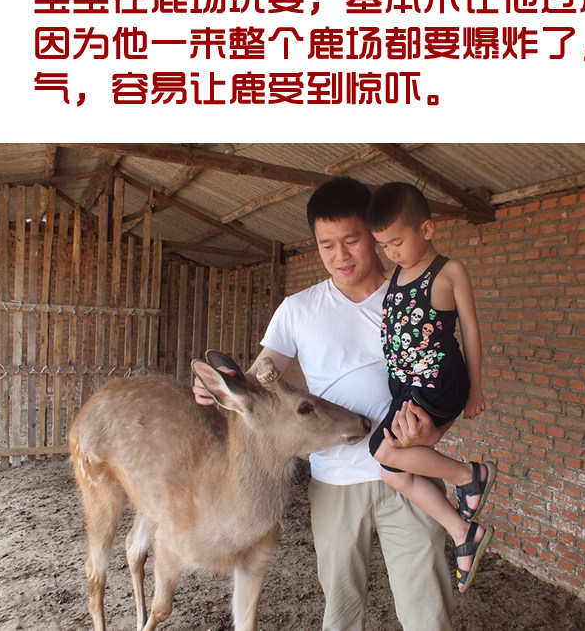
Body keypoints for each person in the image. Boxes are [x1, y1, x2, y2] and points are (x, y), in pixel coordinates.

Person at [194, 177, 454, 631]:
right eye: (326, 245)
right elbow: (258, 380)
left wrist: (436, 429)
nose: (340, 256)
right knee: (341, 608)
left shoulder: (413, 298)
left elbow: (444, 379)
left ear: (374, 235)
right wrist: (215, 388)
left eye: (351, 240)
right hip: (334, 482)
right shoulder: (298, 309)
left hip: (410, 475)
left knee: (428, 611)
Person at [366, 182, 496, 594]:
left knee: (384, 450)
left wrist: (475, 389)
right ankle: (463, 533)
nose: (391, 252)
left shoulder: (449, 271)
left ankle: (469, 475)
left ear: (426, 229)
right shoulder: (395, 274)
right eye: (384, 246)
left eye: (397, 242)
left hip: (439, 381)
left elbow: (470, 331)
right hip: (408, 388)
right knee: (391, 470)